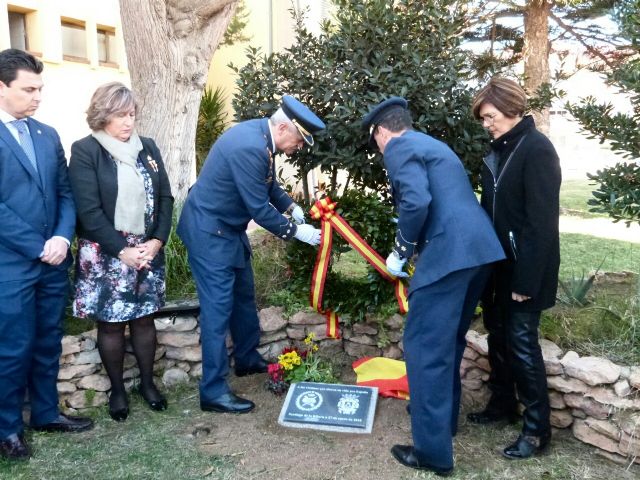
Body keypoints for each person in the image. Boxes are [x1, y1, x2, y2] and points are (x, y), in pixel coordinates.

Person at [362, 97, 505, 475]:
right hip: (478, 252)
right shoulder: (431, 144)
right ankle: (446, 422)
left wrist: (401, 250)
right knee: (449, 341)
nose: (377, 147)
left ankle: (432, 453)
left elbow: (416, 202)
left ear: (381, 131)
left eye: (374, 139)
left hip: (447, 257)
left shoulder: (397, 147)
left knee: (424, 347)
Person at [177, 95, 324, 414]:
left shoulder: (261, 136)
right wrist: (298, 231)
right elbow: (258, 207)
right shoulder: (250, 146)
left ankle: (246, 359)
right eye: (299, 140)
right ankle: (213, 391)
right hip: (209, 233)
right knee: (217, 309)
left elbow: (267, 186)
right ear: (285, 127)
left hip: (227, 230)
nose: (298, 147)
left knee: (244, 295)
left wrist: (291, 206)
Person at [0, 49, 93, 460]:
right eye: (28, 89)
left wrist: (60, 236)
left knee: (47, 342)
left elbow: (65, 193)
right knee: (13, 347)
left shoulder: (47, 133)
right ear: (1, 87)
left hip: (53, 262)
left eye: (40, 89)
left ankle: (45, 413)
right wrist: (38, 245)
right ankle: (7, 430)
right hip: (11, 265)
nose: (37, 97)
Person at [467, 77, 561, 459]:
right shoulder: (500, 151)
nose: (486, 124)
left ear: (512, 109)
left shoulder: (536, 149)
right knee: (498, 338)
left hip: (525, 270)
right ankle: (503, 405)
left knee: (523, 346)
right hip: (498, 266)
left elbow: (541, 224)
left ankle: (538, 432)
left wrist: (525, 280)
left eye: (490, 116)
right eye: (483, 119)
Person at [68, 82, 174, 422]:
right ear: (102, 116)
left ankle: (147, 383)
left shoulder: (149, 148)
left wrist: (157, 241)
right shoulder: (86, 151)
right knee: (111, 325)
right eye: (119, 115)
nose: (128, 122)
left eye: (131, 114)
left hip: (147, 249)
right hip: (106, 255)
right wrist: (122, 251)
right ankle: (117, 390)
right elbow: (88, 211)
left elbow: (166, 199)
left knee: (144, 319)